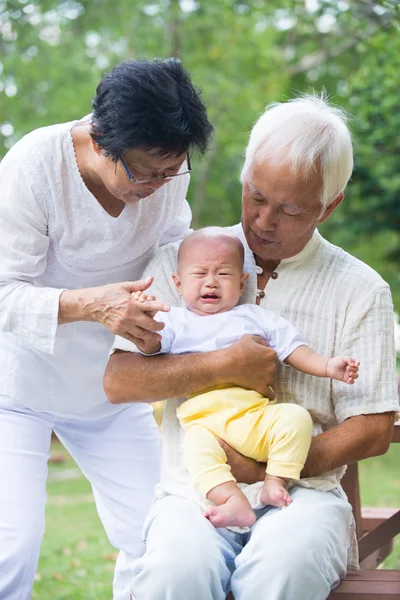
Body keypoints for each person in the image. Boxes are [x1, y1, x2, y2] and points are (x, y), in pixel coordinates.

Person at [105, 94, 399, 600]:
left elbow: (372, 427)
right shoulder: (181, 263)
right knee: (174, 574)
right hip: (192, 488)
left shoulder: (359, 288)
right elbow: (120, 380)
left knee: (280, 572)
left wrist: (269, 471)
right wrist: (222, 364)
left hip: (308, 496)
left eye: (289, 209)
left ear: (329, 206)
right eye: (256, 196)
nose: (264, 221)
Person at [0, 57, 221, 600]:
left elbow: (170, 256)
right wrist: (91, 306)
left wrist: (160, 323)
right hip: (15, 386)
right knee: (12, 546)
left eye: (172, 172)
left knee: (159, 533)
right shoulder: (34, 166)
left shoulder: (166, 177)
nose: (156, 185)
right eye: (143, 172)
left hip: (107, 388)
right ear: (101, 140)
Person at [121, 227, 360, 529]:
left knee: (295, 418)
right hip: (205, 424)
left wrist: (328, 367)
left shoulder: (253, 317)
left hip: (254, 418)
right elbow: (151, 346)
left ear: (242, 282)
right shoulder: (175, 321)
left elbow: (294, 349)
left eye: (223, 274)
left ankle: (275, 480)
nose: (211, 282)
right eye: (200, 274)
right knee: (194, 449)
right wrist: (141, 318)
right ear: (178, 284)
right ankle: (232, 501)